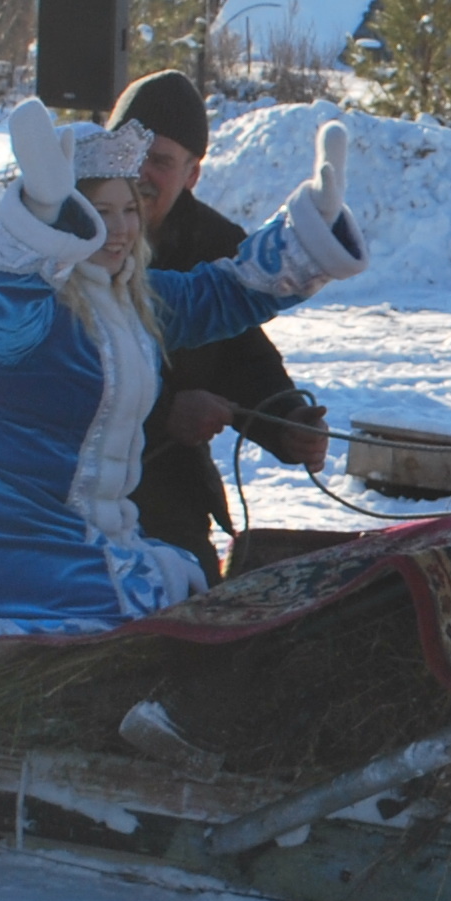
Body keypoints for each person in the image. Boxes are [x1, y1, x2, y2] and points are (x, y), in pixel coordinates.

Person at [0, 100, 368, 691]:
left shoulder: (133, 299)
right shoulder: (34, 312)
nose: (118, 230)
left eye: (128, 210)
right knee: (140, 609)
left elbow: (229, 290)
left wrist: (312, 229)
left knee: (176, 590)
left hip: (87, 534)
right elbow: (0, 291)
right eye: (97, 213)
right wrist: (38, 209)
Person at [107, 69, 333, 579]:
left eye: (160, 161)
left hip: (166, 475)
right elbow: (57, 370)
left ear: (191, 175)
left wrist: (285, 420)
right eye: (128, 151)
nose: (140, 172)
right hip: (65, 479)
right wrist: (163, 410)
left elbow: (241, 356)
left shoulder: (212, 244)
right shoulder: (62, 231)